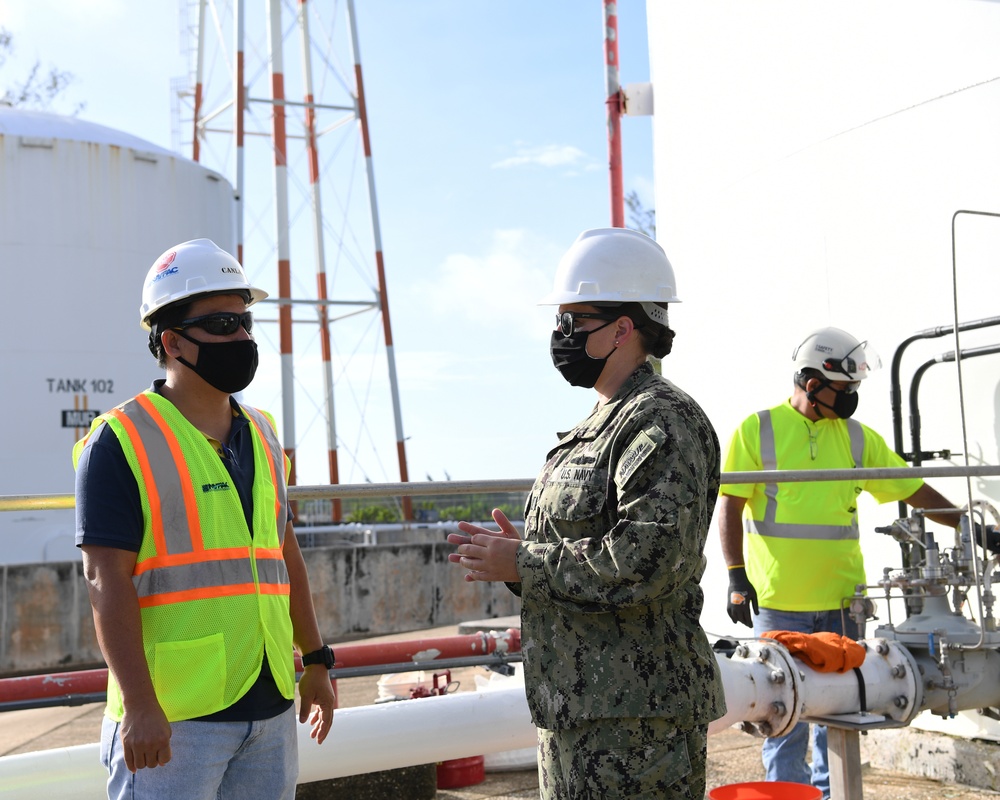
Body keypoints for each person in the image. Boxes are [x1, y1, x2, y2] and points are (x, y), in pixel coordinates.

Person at [447, 227, 725, 799]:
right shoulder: (601, 423)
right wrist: (519, 563)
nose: (559, 336)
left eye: (572, 322)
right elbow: (589, 553)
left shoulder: (661, 422)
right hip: (584, 709)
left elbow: (648, 562)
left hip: (636, 722)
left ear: (623, 328)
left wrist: (525, 563)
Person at [73, 239, 335, 800]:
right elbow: (105, 579)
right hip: (174, 718)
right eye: (221, 324)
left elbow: (283, 554)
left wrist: (316, 660)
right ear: (171, 341)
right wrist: (140, 705)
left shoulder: (263, 434)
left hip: (269, 706)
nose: (241, 338)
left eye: (244, 322)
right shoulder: (121, 439)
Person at [718, 325, 970, 799]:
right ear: (813, 384)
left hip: (842, 604)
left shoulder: (857, 439)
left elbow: (912, 487)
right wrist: (735, 575)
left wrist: (969, 525)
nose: (853, 397)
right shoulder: (758, 429)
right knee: (782, 718)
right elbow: (729, 504)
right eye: (845, 389)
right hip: (780, 606)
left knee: (838, 716)